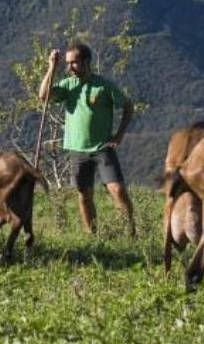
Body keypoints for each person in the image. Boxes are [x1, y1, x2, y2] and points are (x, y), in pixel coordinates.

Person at [38, 42, 137, 237]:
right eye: (67, 63)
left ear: (87, 61)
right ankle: (92, 236)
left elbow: (127, 106)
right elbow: (43, 96)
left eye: (74, 63)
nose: (69, 67)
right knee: (84, 195)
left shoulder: (104, 85)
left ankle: (130, 233)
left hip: (102, 148)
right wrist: (52, 67)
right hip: (77, 150)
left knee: (117, 190)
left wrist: (119, 135)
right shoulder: (68, 85)